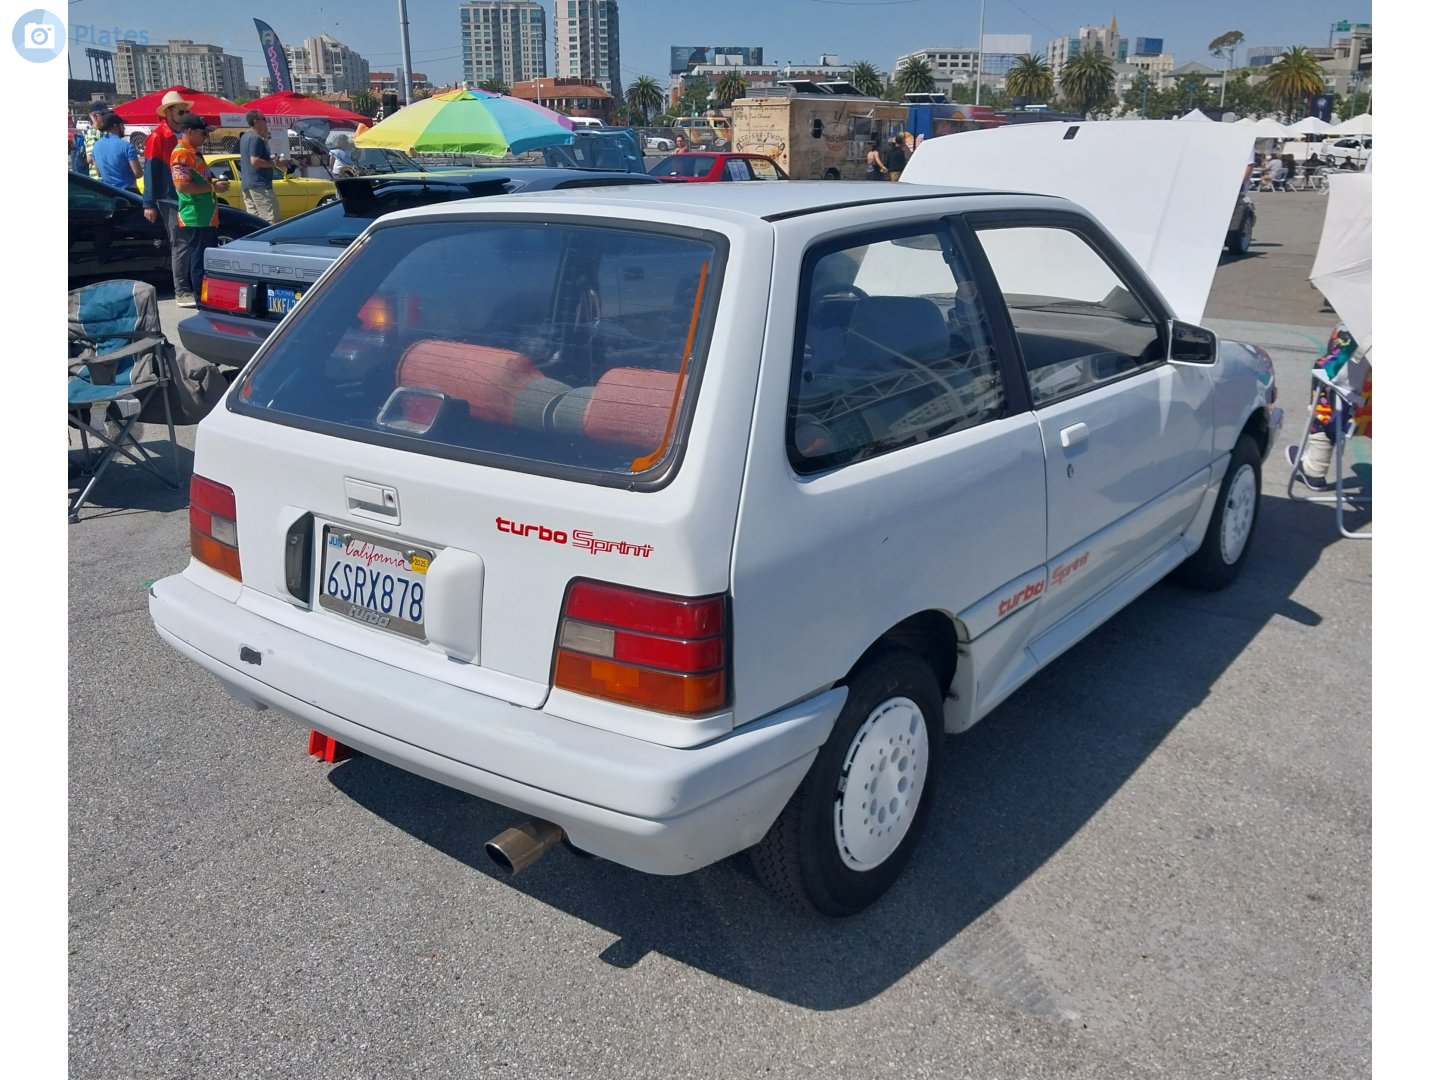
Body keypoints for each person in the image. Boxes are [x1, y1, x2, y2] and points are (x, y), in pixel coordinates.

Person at [1287, 324, 1370, 490]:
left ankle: (1315, 469)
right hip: (1369, 410)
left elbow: (1333, 370)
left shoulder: (1361, 324)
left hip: (1348, 403)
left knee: (1325, 381)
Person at [143, 90, 196, 306]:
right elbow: (150, 170)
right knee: (180, 243)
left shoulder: (181, 135)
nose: (184, 114)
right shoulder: (158, 136)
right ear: (168, 112)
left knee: (188, 241)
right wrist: (149, 202)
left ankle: (188, 286)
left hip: (184, 193)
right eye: (181, 111)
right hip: (169, 197)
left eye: (186, 111)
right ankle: (181, 290)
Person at [170, 114, 230, 301]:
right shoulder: (181, 154)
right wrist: (212, 187)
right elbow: (182, 186)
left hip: (206, 216)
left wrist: (215, 185)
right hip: (195, 217)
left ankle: (207, 298)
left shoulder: (194, 153)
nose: (205, 138)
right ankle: (201, 300)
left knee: (206, 261)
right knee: (199, 262)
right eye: (203, 134)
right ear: (188, 131)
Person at [238, 109, 285, 223]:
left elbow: (251, 158)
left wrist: (270, 155)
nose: (266, 122)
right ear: (256, 121)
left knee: (255, 221)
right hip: (260, 185)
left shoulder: (245, 136)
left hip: (247, 184)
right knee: (271, 219)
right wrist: (275, 163)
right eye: (264, 119)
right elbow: (255, 161)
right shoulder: (255, 138)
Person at [90, 112, 142, 193]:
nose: (124, 128)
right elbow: (138, 174)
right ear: (115, 126)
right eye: (122, 125)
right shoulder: (127, 146)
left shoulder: (96, 145)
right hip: (129, 191)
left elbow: (99, 173)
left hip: (108, 191)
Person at [83, 102, 109, 180]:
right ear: (94, 117)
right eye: (103, 114)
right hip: (98, 177)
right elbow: (90, 158)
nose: (106, 117)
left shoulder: (99, 132)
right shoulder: (93, 132)